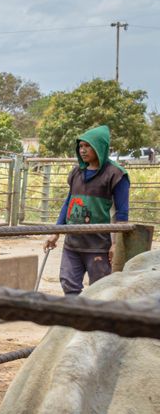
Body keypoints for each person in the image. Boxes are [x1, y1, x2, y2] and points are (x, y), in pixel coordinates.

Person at [44, 125, 130, 295]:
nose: (83, 150)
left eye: (88, 146)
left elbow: (122, 214)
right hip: (73, 242)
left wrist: (115, 244)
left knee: (100, 289)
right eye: (81, 146)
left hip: (98, 245)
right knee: (68, 284)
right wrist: (56, 232)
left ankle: (96, 320)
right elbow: (69, 203)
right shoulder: (77, 172)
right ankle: (76, 320)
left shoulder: (116, 175)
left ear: (100, 147)